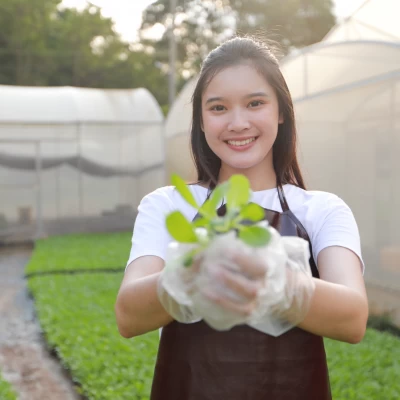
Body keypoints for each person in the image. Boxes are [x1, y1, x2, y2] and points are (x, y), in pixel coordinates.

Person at [115, 36, 368, 399]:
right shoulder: (168, 205)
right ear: (201, 121)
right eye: (218, 108)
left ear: (281, 111)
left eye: (255, 103)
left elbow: (353, 319)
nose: (238, 123)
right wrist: (191, 273)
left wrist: (271, 278)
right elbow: (128, 316)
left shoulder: (322, 210)